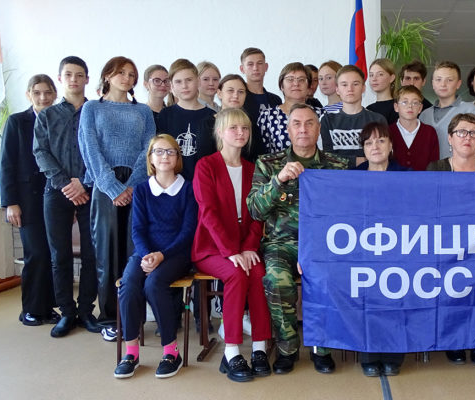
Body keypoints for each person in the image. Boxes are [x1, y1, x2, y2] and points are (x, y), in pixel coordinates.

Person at [247, 103, 349, 375]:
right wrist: (278, 180)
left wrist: (317, 250)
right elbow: (255, 210)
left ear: (319, 128)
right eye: (297, 124)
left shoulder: (337, 166)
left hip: (324, 246)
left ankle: (321, 348)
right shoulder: (268, 163)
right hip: (281, 245)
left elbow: (346, 213)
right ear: (289, 130)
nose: (303, 129)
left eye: (309, 123)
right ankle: (287, 348)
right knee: (276, 280)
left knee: (327, 280)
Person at [192, 108, 272, 382]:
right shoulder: (206, 166)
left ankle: (259, 348)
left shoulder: (253, 168)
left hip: (245, 247)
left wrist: (249, 247)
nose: (240, 133)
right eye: (234, 128)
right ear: (220, 132)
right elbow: (208, 213)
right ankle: (232, 352)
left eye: (245, 128)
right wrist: (230, 251)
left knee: (259, 274)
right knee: (237, 274)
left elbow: (259, 213)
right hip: (212, 248)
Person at [79, 56, 156, 324]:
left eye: (131, 74)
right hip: (104, 185)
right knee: (107, 255)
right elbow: (90, 149)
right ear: (107, 76)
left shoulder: (143, 111)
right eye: (121, 72)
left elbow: (149, 149)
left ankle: (133, 316)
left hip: (138, 185)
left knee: (135, 251)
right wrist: (113, 187)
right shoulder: (91, 108)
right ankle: (110, 319)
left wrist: (133, 185)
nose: (127, 78)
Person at [114, 134, 197, 379]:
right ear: (150, 158)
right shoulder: (141, 190)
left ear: (178, 157)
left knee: (154, 284)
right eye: (158, 151)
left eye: (170, 151)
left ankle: (171, 352)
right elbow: (137, 230)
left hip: (177, 254)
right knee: (129, 284)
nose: (164, 156)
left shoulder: (189, 189)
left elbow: (188, 231)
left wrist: (162, 255)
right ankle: (131, 353)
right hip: (146, 253)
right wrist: (147, 255)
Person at [427, 113, 475, 364]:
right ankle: (455, 339)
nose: (467, 137)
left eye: (474, 133)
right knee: (450, 280)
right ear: (450, 138)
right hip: (446, 241)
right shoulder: (435, 169)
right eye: (461, 132)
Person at [33, 56, 99, 337]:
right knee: (59, 255)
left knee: (92, 254)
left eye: (79, 74)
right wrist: (66, 184)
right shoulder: (47, 115)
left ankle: (86, 311)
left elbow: (101, 152)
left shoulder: (96, 112)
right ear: (60, 79)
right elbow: (40, 152)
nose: (74, 79)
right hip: (56, 191)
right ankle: (67, 313)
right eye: (68, 74)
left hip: (90, 190)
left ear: (87, 79)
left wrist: (83, 183)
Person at [1, 74, 58, 326]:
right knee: (36, 253)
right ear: (28, 95)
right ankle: (31, 309)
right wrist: (10, 202)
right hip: (26, 201)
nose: (43, 97)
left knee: (52, 254)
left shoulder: (59, 120)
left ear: (54, 95)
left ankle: (48, 307)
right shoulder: (17, 122)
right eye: (37, 92)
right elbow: (6, 164)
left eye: (47, 92)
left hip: (54, 197)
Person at [353, 122, 407, 376]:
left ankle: (393, 354)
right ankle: (369, 354)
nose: (375, 146)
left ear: (391, 145)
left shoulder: (408, 176)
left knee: (396, 294)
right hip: (362, 250)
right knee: (366, 296)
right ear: (363, 149)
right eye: (369, 142)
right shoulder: (352, 178)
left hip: (399, 249)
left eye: (381, 140)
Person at [157, 58, 216, 181]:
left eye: (189, 80)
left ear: (198, 81)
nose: (184, 86)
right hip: (172, 183)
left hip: (203, 183)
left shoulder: (212, 117)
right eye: (178, 82)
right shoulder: (165, 115)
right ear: (172, 86)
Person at [319, 65, 387, 166]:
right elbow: (328, 157)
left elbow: (382, 154)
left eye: (355, 84)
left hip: (369, 173)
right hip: (338, 175)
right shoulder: (327, 120)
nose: (350, 89)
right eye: (344, 85)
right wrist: (359, 161)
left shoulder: (377, 120)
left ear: (363, 88)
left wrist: (344, 160)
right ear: (337, 89)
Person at [419, 61, 475, 161]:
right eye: (438, 79)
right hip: (430, 169)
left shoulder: (469, 110)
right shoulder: (424, 115)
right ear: (432, 84)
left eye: (449, 80)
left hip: (461, 169)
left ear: (458, 84)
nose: (443, 84)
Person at [258, 62, 322, 154]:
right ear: (281, 86)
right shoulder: (267, 116)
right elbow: (262, 153)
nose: (296, 83)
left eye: (301, 80)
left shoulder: (321, 115)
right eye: (290, 79)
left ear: (308, 86)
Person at [240, 47, 282, 161]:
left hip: (274, 159)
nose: (255, 68)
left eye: (259, 63)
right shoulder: (239, 100)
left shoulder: (276, 100)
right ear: (242, 69)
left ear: (266, 67)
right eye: (250, 64)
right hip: (247, 158)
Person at [388, 85, 439, 171]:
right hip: (394, 179)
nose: (410, 106)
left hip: (424, 179)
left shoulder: (430, 132)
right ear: (396, 107)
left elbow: (434, 165)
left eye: (415, 103)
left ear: (420, 108)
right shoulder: (388, 132)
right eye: (405, 102)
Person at [367, 58, 399, 124]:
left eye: (380, 74)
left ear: (391, 78)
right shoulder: (368, 109)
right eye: (371, 75)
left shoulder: (397, 108)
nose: (374, 79)